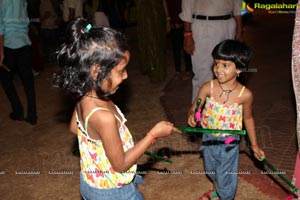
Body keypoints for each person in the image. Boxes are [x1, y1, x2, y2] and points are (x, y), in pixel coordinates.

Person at [54, 18, 180, 199]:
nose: (126, 75)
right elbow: (120, 165)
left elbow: (75, 127)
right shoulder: (103, 117)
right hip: (113, 193)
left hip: (91, 182)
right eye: (121, 70)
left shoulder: (84, 96)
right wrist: (153, 135)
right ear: (96, 72)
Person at [187, 40, 265, 200]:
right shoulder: (208, 87)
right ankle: (216, 191)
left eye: (225, 65)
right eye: (216, 64)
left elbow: (248, 119)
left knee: (226, 175)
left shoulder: (245, 95)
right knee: (211, 170)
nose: (218, 69)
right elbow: (196, 106)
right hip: (208, 138)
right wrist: (194, 116)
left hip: (229, 141)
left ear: (239, 69)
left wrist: (255, 145)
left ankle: (225, 196)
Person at [179, 0, 244, 101]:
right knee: (204, 73)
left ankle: (223, 110)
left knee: (228, 71)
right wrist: (187, 34)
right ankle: (198, 113)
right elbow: (187, 4)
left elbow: (237, 4)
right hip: (204, 24)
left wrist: (239, 29)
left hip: (229, 24)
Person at [0, 0, 38, 125]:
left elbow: (0, 28)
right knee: (28, 81)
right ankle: (32, 115)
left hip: (9, 44)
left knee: (5, 79)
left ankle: (18, 111)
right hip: (24, 43)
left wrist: (1, 52)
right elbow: (26, 21)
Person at [163, 0, 193, 81]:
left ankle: (188, 70)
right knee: (175, 47)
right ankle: (178, 71)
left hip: (184, 23)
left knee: (186, 46)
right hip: (173, 21)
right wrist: (167, 20)